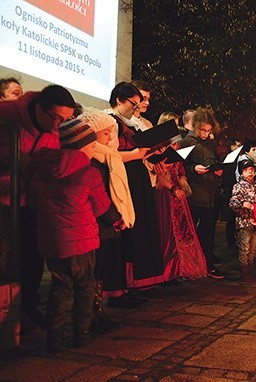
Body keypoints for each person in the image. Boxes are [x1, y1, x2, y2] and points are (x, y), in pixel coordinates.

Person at [28, 118, 121, 352]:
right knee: (85, 286)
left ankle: (54, 338)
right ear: (81, 147)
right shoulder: (88, 173)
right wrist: (117, 219)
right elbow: (101, 208)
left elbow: (32, 202)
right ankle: (82, 333)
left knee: (59, 288)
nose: (93, 150)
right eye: (91, 146)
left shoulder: (41, 169)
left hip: (52, 242)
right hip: (82, 241)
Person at [0, 84, 76, 330]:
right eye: (54, 118)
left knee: (32, 256)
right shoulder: (7, 112)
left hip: (29, 202)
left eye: (64, 121)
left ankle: (28, 308)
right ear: (39, 109)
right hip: (2, 200)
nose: (57, 126)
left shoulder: (53, 133)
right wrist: (9, 158)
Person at [108, 81, 164, 306]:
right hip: (124, 180)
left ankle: (130, 284)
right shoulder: (110, 121)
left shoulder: (130, 123)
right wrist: (137, 153)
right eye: (133, 103)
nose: (136, 108)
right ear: (119, 100)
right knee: (124, 235)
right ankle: (117, 291)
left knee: (136, 235)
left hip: (136, 178)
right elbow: (109, 154)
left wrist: (152, 151)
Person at [81, 108, 133, 334]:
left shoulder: (104, 158)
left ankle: (95, 314)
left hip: (103, 224)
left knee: (98, 271)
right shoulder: (92, 161)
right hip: (97, 224)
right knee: (92, 272)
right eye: (105, 134)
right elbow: (98, 196)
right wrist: (114, 217)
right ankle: (89, 318)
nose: (110, 138)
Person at [153, 113, 208, 281]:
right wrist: (173, 188)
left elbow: (179, 167)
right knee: (168, 233)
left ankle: (179, 269)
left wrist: (183, 180)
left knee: (182, 231)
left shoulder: (176, 145)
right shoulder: (159, 148)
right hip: (166, 194)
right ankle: (167, 271)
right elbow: (159, 173)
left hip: (178, 194)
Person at [179, 106, 226, 279]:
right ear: (195, 126)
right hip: (194, 195)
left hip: (210, 194)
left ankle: (207, 265)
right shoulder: (186, 142)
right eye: (203, 130)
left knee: (208, 233)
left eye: (208, 130)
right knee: (191, 233)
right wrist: (192, 169)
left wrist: (217, 170)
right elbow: (177, 167)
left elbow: (214, 161)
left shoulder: (210, 144)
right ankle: (189, 267)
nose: (205, 133)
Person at [229, 159, 256, 283]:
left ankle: (252, 270)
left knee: (253, 248)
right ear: (242, 173)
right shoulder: (238, 186)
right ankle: (244, 272)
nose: (250, 173)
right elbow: (233, 202)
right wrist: (242, 203)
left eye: (252, 170)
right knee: (244, 247)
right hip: (244, 221)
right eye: (246, 171)